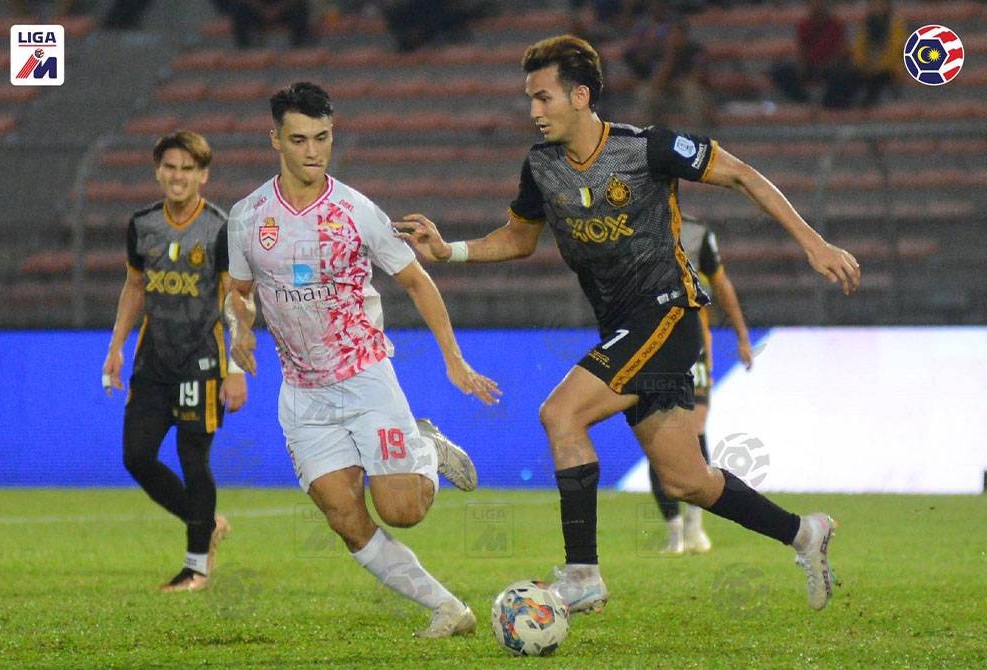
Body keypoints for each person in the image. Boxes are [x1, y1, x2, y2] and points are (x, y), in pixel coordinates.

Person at [395, 34, 860, 614]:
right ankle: (804, 532)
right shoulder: (541, 167)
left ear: (581, 95)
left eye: (543, 98)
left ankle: (582, 573)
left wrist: (813, 244)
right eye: (529, 100)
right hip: (624, 328)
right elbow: (518, 238)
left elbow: (742, 175)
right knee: (687, 479)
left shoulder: (647, 149)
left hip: (669, 312)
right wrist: (449, 252)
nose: (533, 112)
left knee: (560, 414)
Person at [224, 82, 501, 638]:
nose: (312, 152)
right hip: (302, 391)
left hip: (364, 376)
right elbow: (236, 290)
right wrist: (240, 334)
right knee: (345, 518)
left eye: (322, 138)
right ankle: (448, 608)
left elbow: (416, 281)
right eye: (299, 139)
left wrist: (453, 359)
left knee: (401, 509)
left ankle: (425, 445)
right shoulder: (248, 217)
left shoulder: (356, 211)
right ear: (274, 139)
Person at [102, 130, 246, 592]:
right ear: (157, 171)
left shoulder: (221, 228)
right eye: (170, 167)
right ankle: (207, 523)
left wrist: (236, 369)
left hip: (201, 362)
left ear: (203, 175)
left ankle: (195, 567)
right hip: (153, 362)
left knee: (193, 457)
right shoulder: (142, 225)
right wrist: (116, 347)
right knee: (137, 456)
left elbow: (234, 300)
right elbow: (135, 287)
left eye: (188, 168)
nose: (177, 176)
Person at [651, 214, 753, 555]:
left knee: (694, 427)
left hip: (693, 345)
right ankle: (675, 531)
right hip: (648, 346)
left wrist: (741, 335)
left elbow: (721, 284)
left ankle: (695, 523)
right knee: (656, 432)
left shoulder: (697, 233)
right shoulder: (632, 226)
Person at [770, 0, 857, 109]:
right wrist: (803, 66)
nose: (817, 6)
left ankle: (829, 104)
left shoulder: (836, 25)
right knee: (779, 71)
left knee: (847, 74)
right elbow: (802, 50)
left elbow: (841, 50)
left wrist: (827, 65)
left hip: (830, 67)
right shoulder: (804, 25)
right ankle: (803, 100)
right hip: (810, 66)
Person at [851, 0, 907, 107]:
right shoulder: (866, 24)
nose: (877, 8)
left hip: (889, 69)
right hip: (868, 67)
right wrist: (863, 64)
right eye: (874, 4)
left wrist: (877, 66)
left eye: (880, 4)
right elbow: (859, 48)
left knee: (878, 78)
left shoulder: (895, 24)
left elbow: (896, 50)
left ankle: (867, 105)